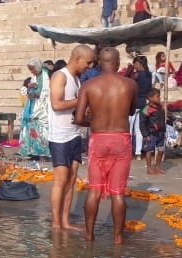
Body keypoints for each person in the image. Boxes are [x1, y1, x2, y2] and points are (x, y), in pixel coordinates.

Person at [73, 46, 136, 242]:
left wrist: (95, 121)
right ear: (117, 63)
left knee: (94, 190)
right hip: (121, 139)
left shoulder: (88, 85)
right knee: (118, 193)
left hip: (98, 139)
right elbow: (132, 111)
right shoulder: (130, 84)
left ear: (99, 63)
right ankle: (118, 238)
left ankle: (89, 235)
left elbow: (78, 118)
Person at [49, 44, 94, 231]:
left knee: (72, 178)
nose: (90, 66)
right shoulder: (60, 76)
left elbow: (76, 108)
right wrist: (83, 99)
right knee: (61, 180)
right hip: (59, 136)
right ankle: (56, 223)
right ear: (77, 59)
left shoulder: (77, 79)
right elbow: (57, 104)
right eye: (88, 62)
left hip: (74, 133)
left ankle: (66, 221)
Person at [19, 59, 50, 159]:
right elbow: (30, 89)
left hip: (41, 107)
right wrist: (30, 87)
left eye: (33, 70)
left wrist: (36, 94)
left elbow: (46, 92)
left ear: (38, 67)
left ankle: (42, 151)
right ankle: (31, 150)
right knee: (30, 126)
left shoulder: (45, 76)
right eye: (31, 70)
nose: (32, 72)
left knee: (41, 129)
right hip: (32, 105)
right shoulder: (34, 77)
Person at [139, 87, 166, 175]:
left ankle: (157, 167)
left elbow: (163, 118)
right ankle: (149, 168)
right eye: (157, 97)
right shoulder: (146, 109)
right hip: (151, 134)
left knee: (161, 150)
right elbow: (142, 123)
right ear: (150, 98)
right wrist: (145, 135)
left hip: (161, 133)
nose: (159, 98)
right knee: (149, 151)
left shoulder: (160, 107)